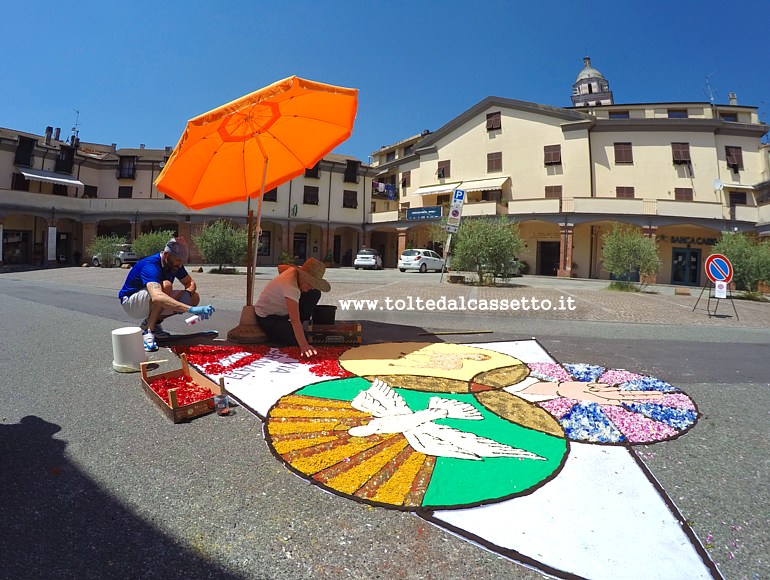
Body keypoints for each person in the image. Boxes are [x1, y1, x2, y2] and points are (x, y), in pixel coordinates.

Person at [118, 236, 215, 352]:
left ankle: (154, 322)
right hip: (131, 302)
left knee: (194, 297)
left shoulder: (175, 264)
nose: (180, 264)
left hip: (151, 298)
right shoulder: (151, 265)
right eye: (178, 260)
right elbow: (157, 297)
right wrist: (191, 309)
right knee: (166, 286)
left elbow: (190, 282)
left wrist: (187, 294)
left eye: (182, 261)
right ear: (166, 255)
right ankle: (148, 331)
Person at [254, 257, 331, 358]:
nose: (311, 287)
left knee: (314, 293)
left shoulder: (296, 272)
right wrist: (304, 345)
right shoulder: (291, 287)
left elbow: (281, 267)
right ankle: (278, 333)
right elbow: (295, 321)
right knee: (302, 339)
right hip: (268, 317)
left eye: (314, 284)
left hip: (282, 311)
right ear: (302, 275)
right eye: (309, 283)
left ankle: (302, 323)